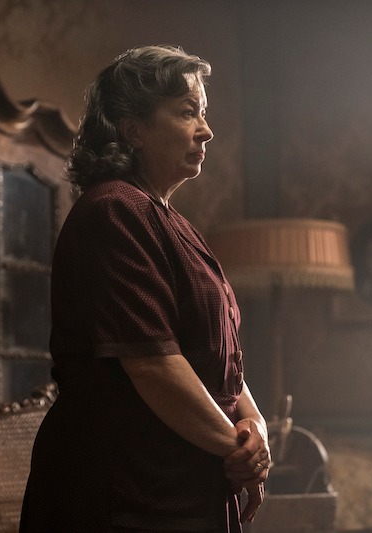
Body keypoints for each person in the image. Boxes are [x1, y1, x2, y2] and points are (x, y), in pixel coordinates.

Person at [20, 45, 271, 533]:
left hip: (180, 479)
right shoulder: (115, 210)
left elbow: (219, 359)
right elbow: (153, 363)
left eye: (203, 113)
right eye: (187, 112)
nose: (207, 129)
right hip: (126, 493)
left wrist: (255, 433)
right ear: (132, 127)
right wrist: (235, 449)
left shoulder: (173, 222)